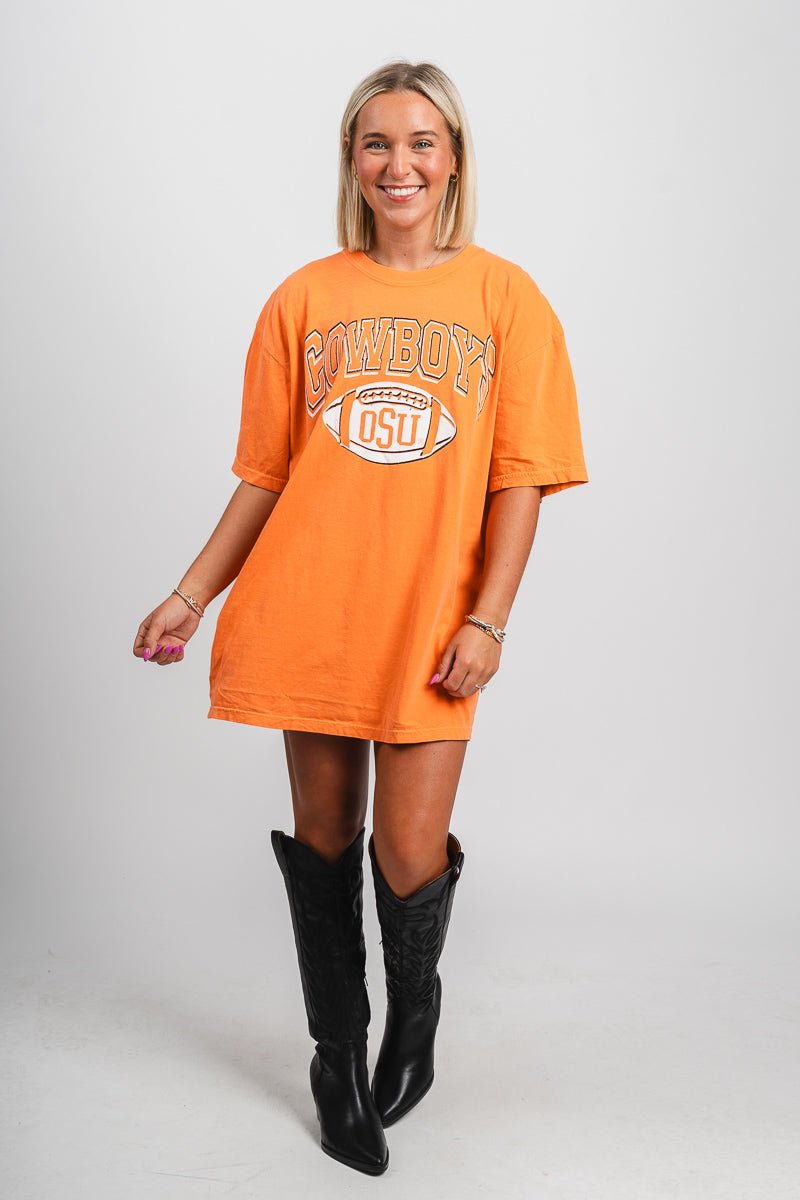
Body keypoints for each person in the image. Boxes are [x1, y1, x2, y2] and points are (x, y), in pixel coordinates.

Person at [132, 59, 589, 1177]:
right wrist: (190, 593)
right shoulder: (303, 300)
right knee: (323, 842)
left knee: (407, 849)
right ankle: (334, 1058)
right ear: (352, 160)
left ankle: (413, 1025)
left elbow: (521, 480)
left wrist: (488, 621)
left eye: (421, 141)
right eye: (377, 143)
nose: (400, 164)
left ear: (454, 159)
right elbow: (266, 475)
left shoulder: (507, 299)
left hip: (432, 623)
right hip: (314, 610)